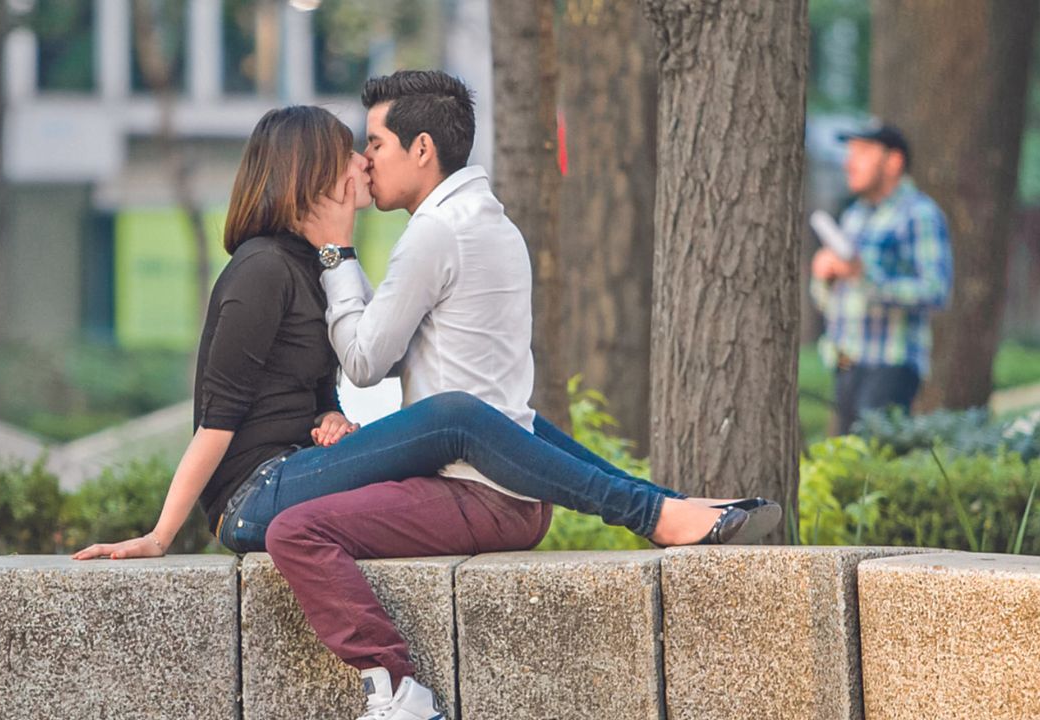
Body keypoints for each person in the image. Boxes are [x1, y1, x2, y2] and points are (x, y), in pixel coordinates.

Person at [74, 103, 776, 720]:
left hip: (297, 468)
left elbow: (317, 392)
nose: (358, 164)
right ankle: (652, 516)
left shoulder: (310, 269)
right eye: (345, 154)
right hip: (253, 495)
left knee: (509, 420)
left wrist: (335, 422)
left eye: (365, 147)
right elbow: (219, 420)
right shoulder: (258, 271)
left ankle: (668, 507)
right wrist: (165, 533)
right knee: (460, 417)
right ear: (303, 176)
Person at [811, 123, 953, 434]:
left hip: (891, 364)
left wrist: (865, 277)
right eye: (849, 153)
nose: (849, 162)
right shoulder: (855, 215)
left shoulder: (919, 214)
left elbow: (935, 291)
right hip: (846, 363)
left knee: (870, 466)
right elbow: (831, 298)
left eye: (862, 153)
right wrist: (826, 276)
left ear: (893, 162)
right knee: (845, 465)